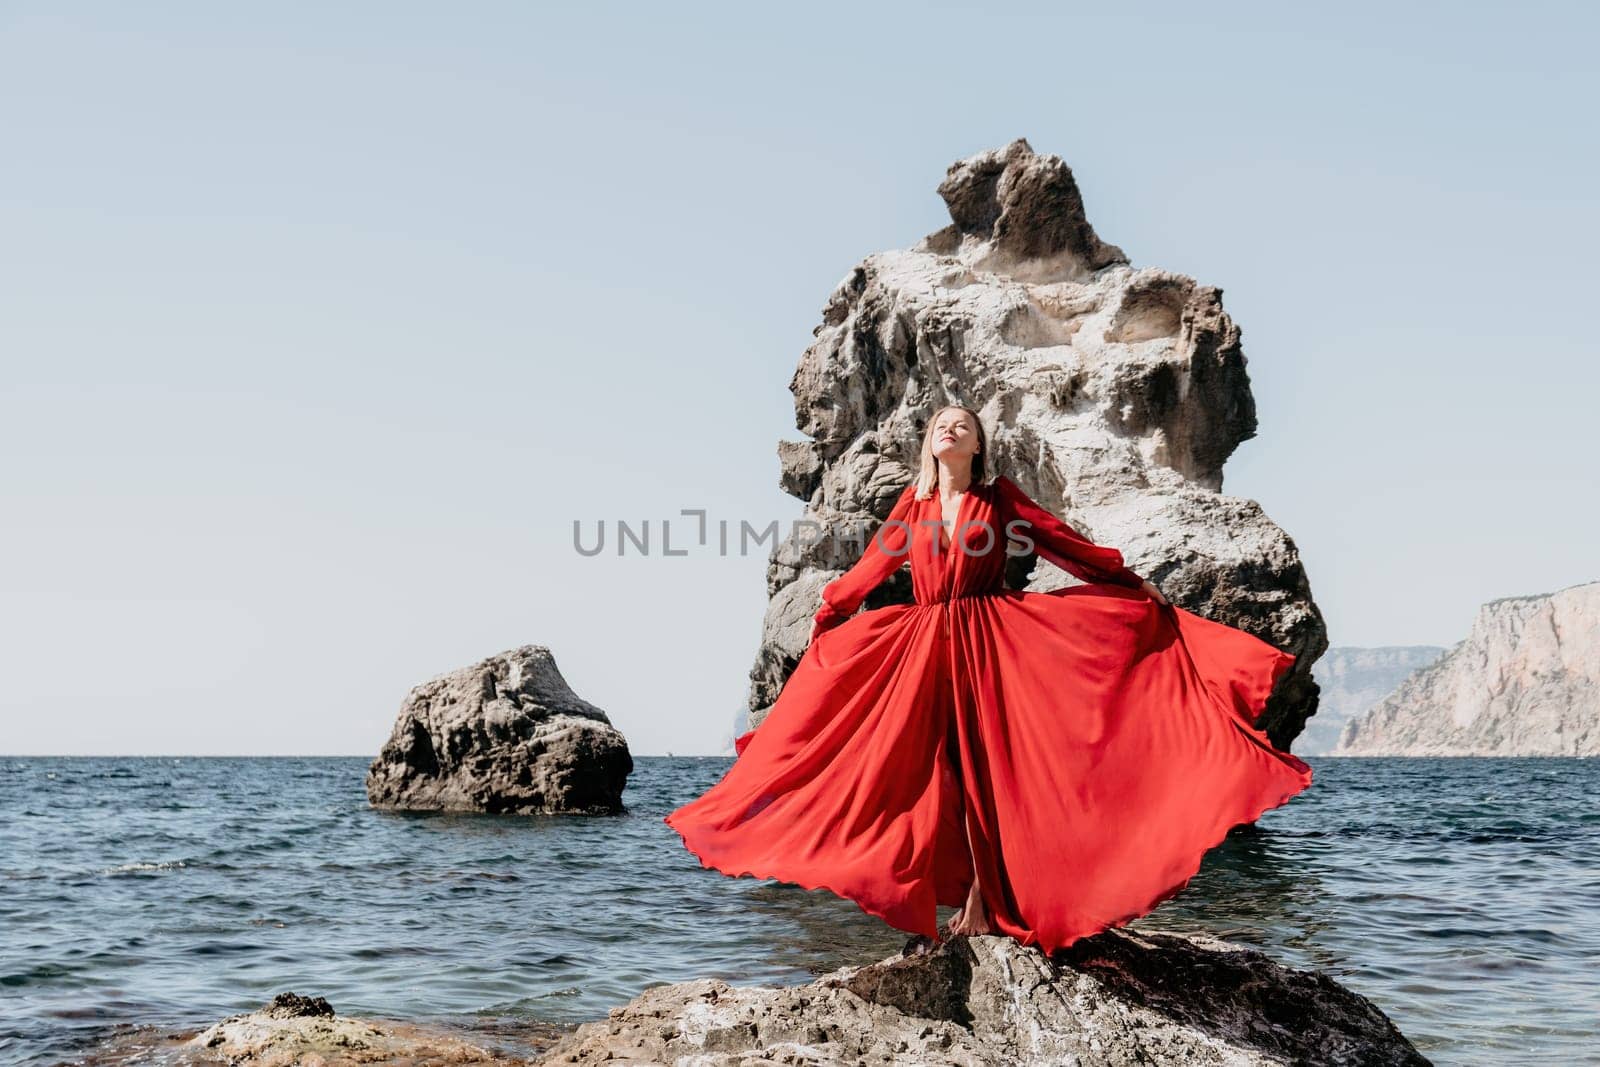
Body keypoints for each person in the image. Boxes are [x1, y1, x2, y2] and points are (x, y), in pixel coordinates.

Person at [664, 404, 1313, 956]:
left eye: (961, 424)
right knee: (923, 771)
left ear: (978, 443)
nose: (948, 429)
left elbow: (1063, 543)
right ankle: (916, 887)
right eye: (940, 424)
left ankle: (985, 903)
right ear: (930, 443)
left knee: (991, 769)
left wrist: (1122, 580)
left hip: (988, 641)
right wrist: (831, 612)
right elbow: (868, 569)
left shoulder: (998, 499)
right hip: (920, 643)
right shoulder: (912, 506)